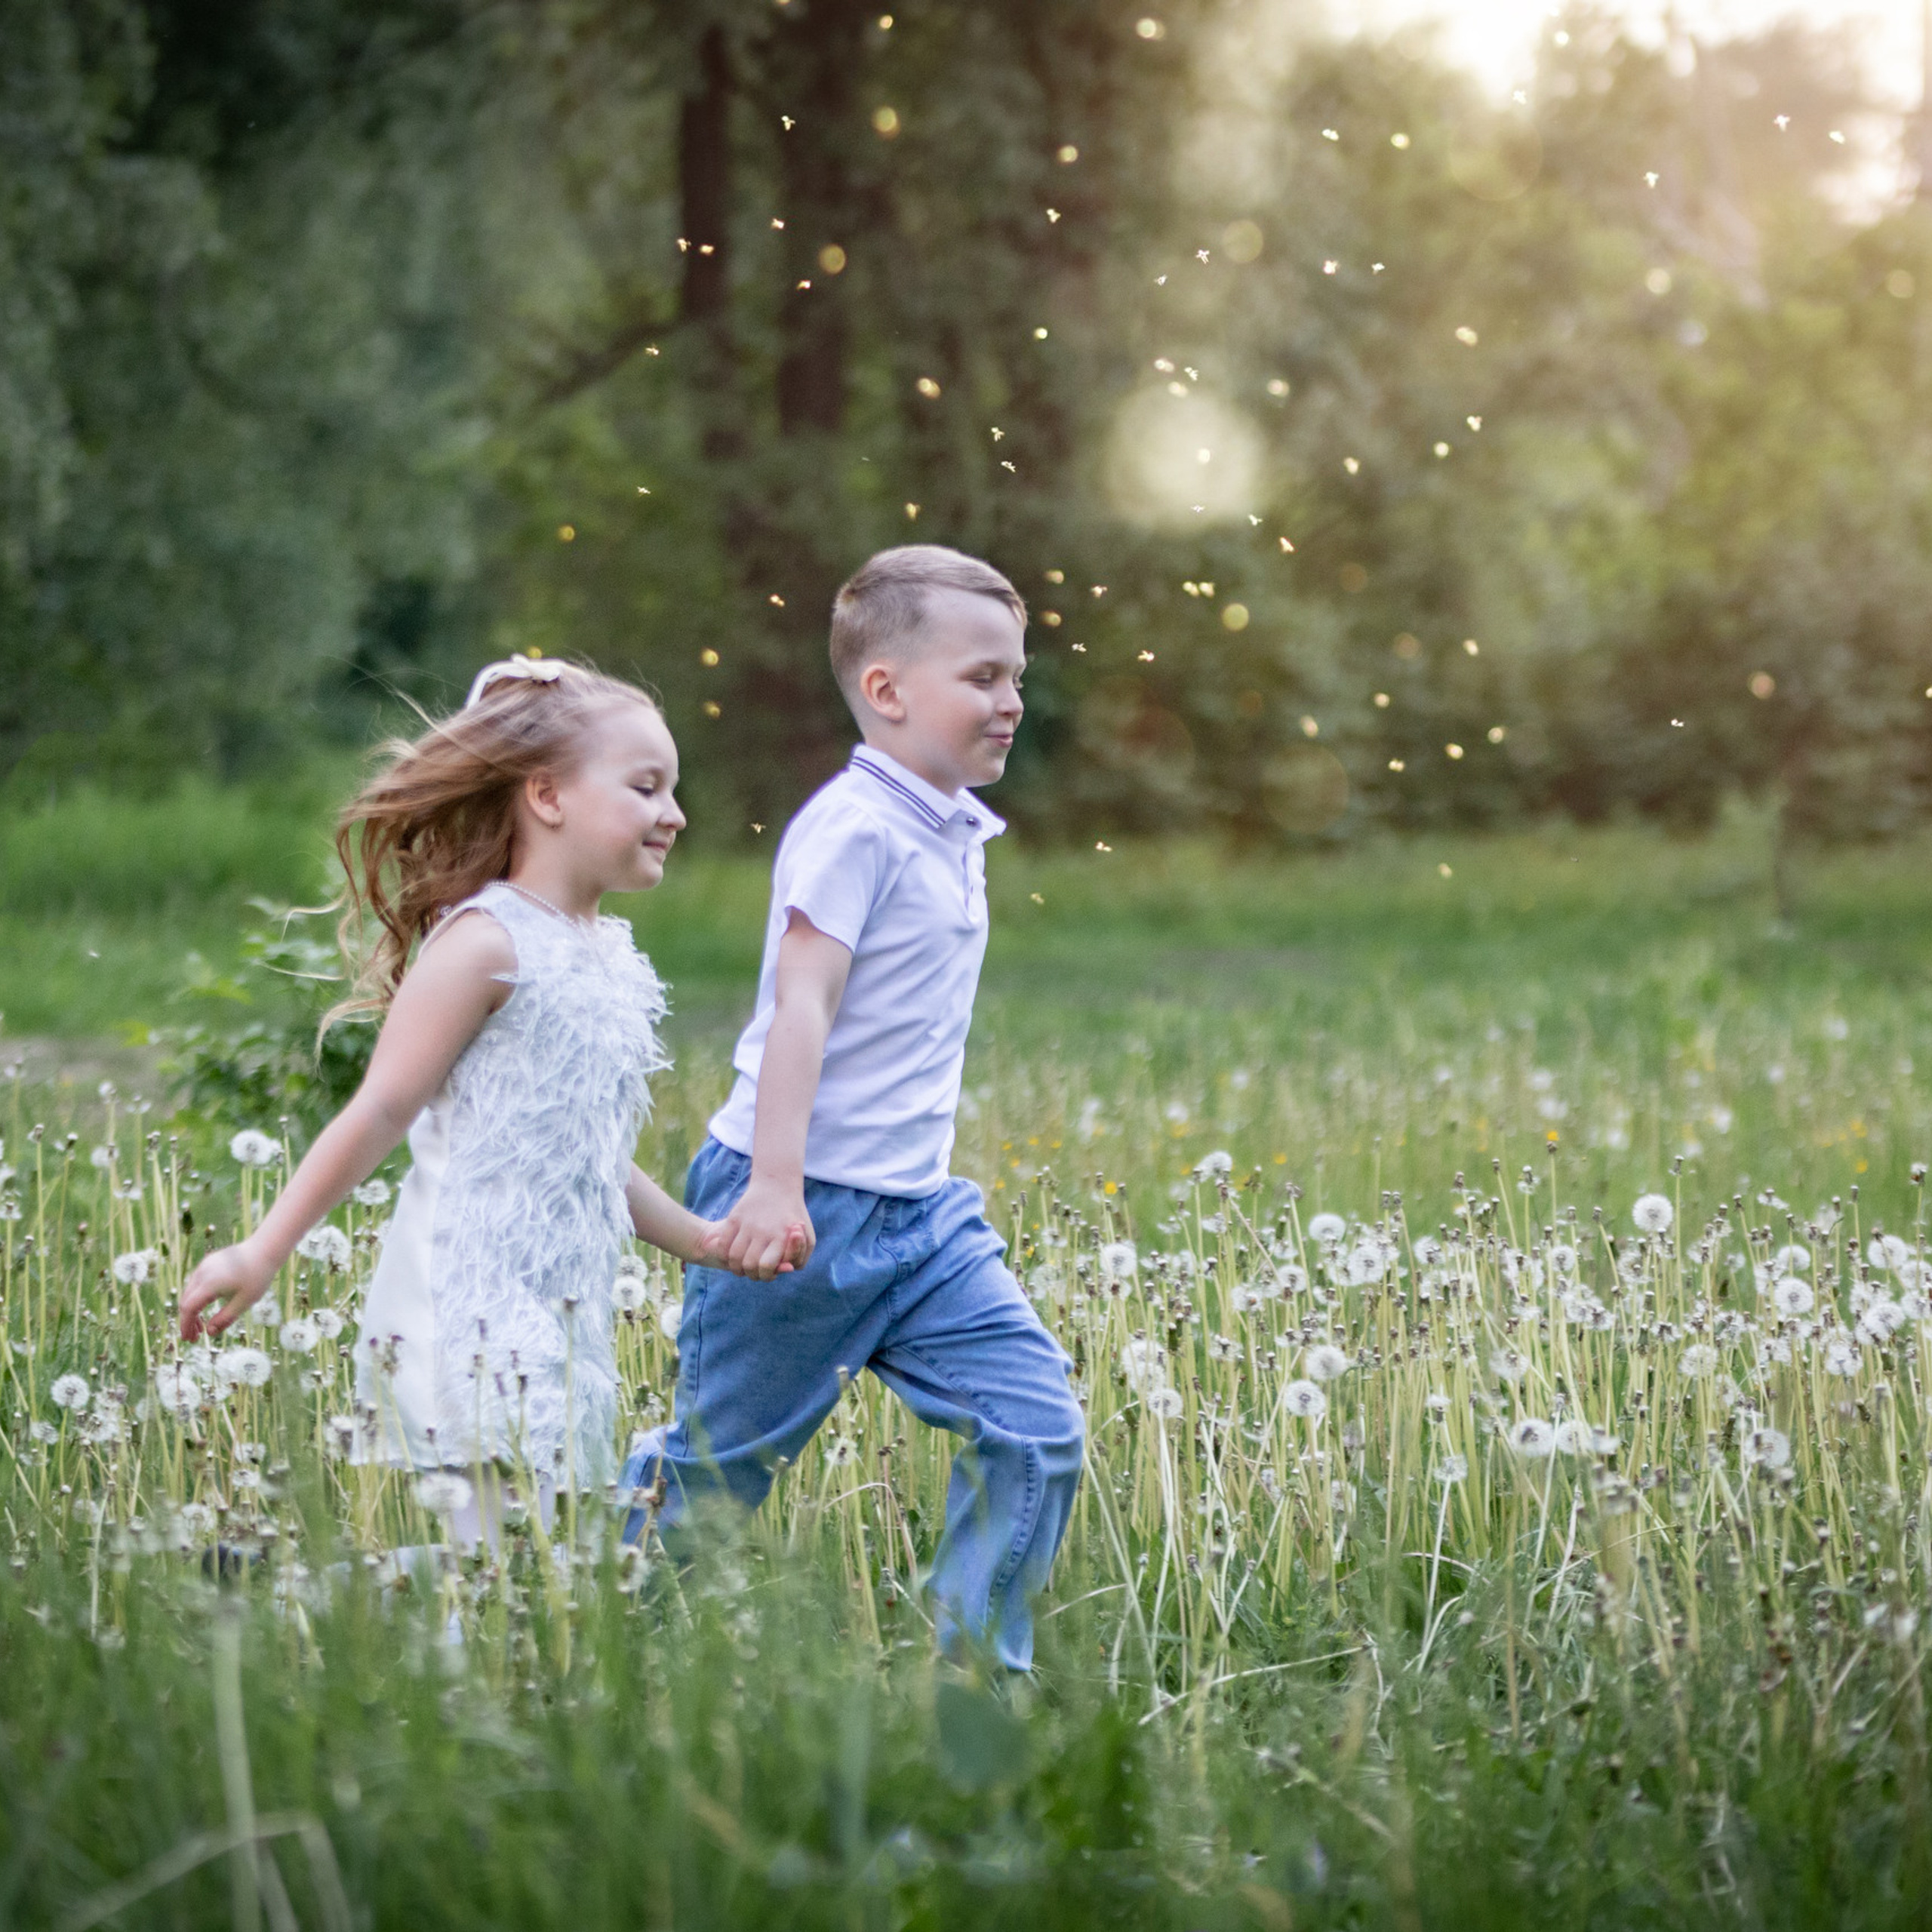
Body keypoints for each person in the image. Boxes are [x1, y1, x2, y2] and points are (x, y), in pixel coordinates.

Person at [623, 545, 1086, 1671]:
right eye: (982, 677)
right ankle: (594, 1643)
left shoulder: (948, 824)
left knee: (1037, 1429)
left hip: (921, 1220)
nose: (1012, 700)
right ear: (886, 691)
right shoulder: (854, 828)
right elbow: (802, 1009)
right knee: (714, 1490)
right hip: (801, 1206)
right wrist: (776, 1187)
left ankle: (974, 1681)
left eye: (1016, 675)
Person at [178, 656, 746, 1549]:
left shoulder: (606, 954)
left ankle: (307, 1600)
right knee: (500, 1566)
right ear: (548, 796)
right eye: (646, 787)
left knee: (543, 1568)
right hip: (470, 1294)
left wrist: (704, 1242)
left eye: (673, 789)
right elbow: (379, 1111)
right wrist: (262, 1248)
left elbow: (587, 1150)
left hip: (565, 1299)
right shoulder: (484, 943)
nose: (674, 813)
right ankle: (285, 1601)